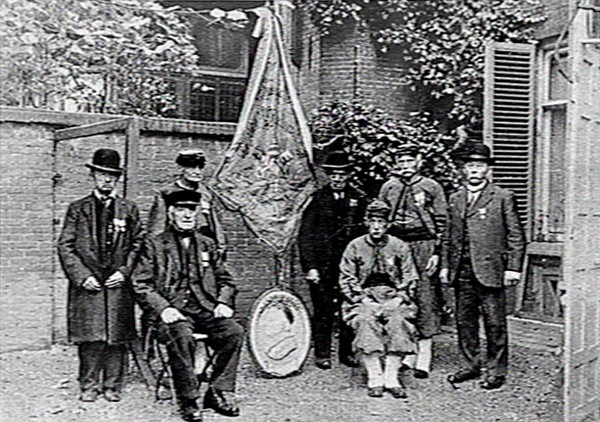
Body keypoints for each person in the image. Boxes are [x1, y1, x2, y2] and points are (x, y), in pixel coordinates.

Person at [132, 190, 243, 422]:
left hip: (204, 309)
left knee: (234, 331)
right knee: (182, 335)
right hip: (171, 313)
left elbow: (227, 280)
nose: (187, 215)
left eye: (191, 209)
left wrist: (223, 302)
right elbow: (141, 284)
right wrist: (163, 308)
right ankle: (188, 400)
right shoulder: (154, 244)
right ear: (171, 213)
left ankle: (216, 391)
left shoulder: (207, 244)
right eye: (181, 209)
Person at [57, 148, 144, 402]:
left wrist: (124, 272)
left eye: (112, 175)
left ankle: (113, 386)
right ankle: (89, 385)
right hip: (89, 283)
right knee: (90, 337)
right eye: (102, 174)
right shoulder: (77, 209)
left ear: (117, 178)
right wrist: (82, 276)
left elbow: (138, 244)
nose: (107, 180)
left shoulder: (129, 209)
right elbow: (65, 245)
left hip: (117, 284)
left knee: (117, 337)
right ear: (93, 175)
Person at [440, 143, 525, 390]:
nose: (475, 170)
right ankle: (471, 365)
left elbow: (516, 235)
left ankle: (496, 371)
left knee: (494, 323)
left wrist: (513, 268)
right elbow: (448, 236)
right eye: (470, 166)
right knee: (464, 322)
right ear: (463, 169)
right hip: (462, 270)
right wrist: (445, 266)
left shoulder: (502, 196)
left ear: (488, 169)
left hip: (491, 269)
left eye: (480, 166)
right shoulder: (455, 198)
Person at [378, 143, 448, 378]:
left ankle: (424, 356)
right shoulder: (389, 186)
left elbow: (442, 221)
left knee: (425, 296)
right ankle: (407, 352)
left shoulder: (431, 186)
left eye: (409, 160)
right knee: (400, 295)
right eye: (401, 161)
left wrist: (437, 252)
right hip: (396, 246)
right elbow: (379, 218)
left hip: (424, 246)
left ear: (419, 161)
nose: (405, 165)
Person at [339, 200, 420, 399]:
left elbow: (410, 275)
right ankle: (375, 377)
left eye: (381, 222)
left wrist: (400, 297)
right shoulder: (355, 246)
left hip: (393, 296)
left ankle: (391, 377)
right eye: (373, 222)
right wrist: (362, 299)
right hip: (364, 297)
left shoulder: (399, 246)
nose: (376, 227)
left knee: (399, 320)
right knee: (365, 320)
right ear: (367, 223)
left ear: (388, 225)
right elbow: (347, 277)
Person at [298, 151, 367, 369]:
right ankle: (322, 353)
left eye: (342, 174)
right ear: (328, 176)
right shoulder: (318, 199)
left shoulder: (359, 198)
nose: (337, 179)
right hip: (323, 265)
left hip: (349, 267)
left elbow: (364, 235)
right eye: (333, 175)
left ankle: (347, 353)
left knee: (349, 307)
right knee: (323, 310)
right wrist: (311, 267)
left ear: (348, 175)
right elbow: (306, 235)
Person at [148, 149, 226, 254]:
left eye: (200, 167)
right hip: (177, 246)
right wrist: (156, 250)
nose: (197, 172)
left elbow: (214, 223)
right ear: (181, 169)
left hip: (203, 246)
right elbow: (158, 226)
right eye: (192, 167)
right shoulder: (167, 193)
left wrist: (221, 245)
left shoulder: (206, 193)